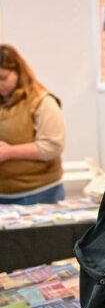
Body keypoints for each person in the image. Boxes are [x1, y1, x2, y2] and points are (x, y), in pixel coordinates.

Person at [0, 44, 66, 204]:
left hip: (39, 193)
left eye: (3, 78)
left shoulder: (42, 101)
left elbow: (53, 146)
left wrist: (9, 152)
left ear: (18, 72)